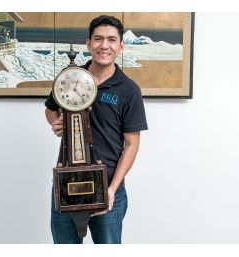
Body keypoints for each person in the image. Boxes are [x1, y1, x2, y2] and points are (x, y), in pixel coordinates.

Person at [44, 15, 148, 244]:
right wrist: (55, 122)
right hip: (66, 186)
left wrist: (112, 188)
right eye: (98, 39)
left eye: (111, 40)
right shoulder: (69, 78)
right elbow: (50, 109)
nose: (104, 45)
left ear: (121, 45)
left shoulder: (129, 90)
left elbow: (132, 144)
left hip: (109, 188)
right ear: (88, 43)